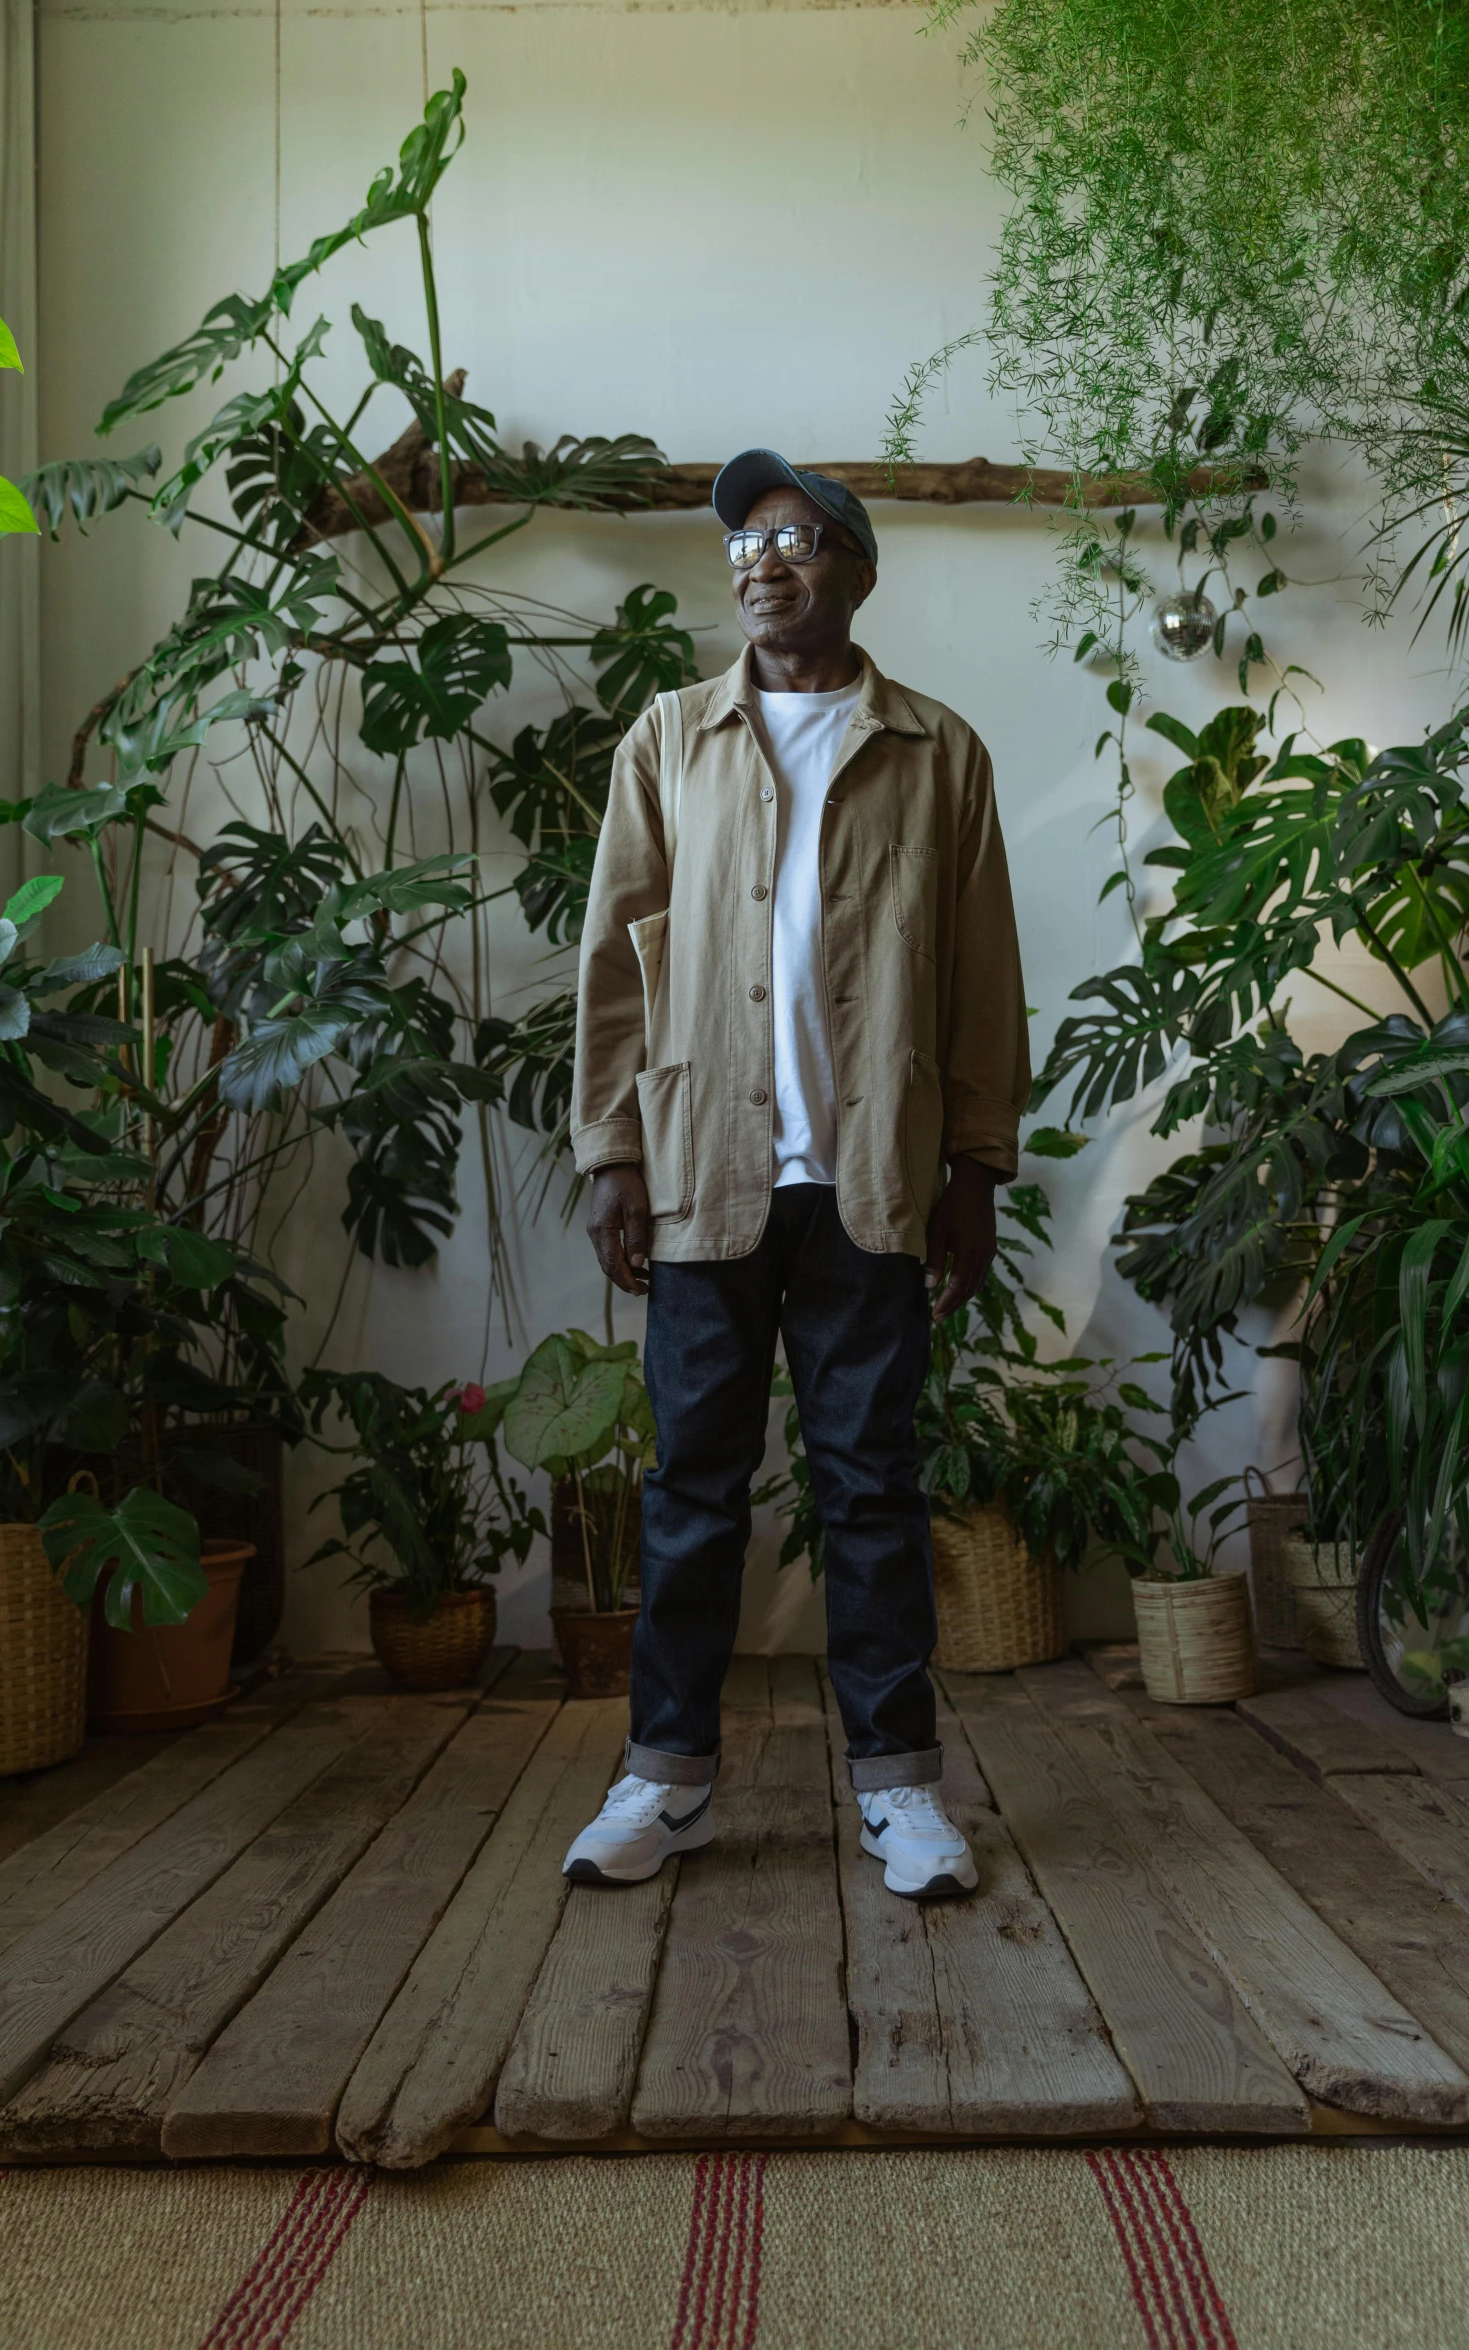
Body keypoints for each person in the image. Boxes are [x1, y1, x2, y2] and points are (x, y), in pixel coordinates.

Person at [561, 449, 1029, 1899]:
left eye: (795, 535)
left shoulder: (937, 752)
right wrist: (611, 1148)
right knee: (693, 1488)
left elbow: (978, 976)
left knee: (871, 1491)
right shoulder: (667, 737)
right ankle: (665, 1777)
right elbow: (615, 962)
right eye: (744, 540)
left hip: (871, 1180)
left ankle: (898, 1791)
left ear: (854, 567)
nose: (761, 559)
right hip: (705, 1169)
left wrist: (976, 1164)